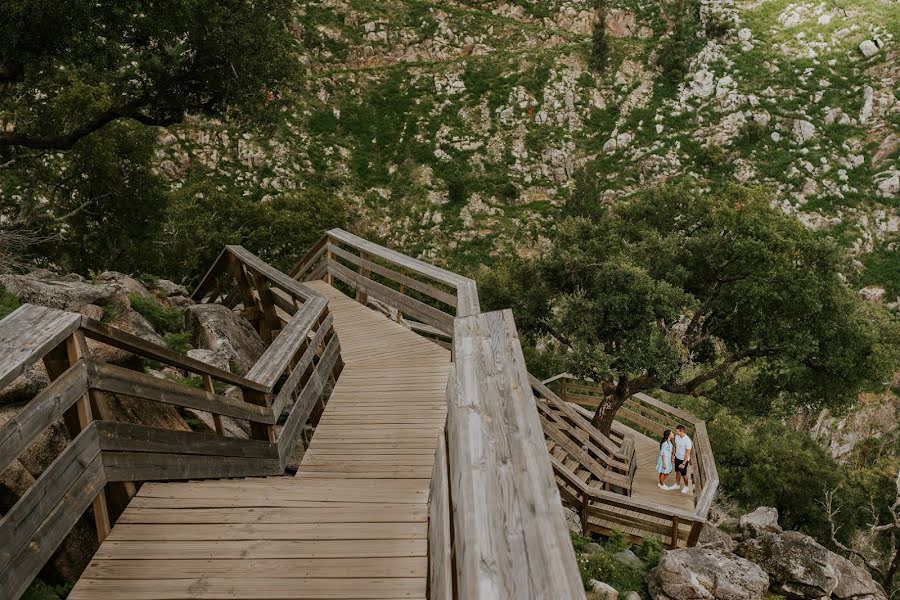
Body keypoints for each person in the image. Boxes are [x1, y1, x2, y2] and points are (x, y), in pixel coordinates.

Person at [673, 424, 693, 494]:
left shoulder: (688, 441)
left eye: (677, 431)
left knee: (684, 474)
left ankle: (686, 487)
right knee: (677, 471)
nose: (676, 432)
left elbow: (687, 453)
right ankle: (677, 484)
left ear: (681, 431)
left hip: (683, 459)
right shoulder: (677, 437)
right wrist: (673, 455)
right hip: (677, 457)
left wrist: (683, 463)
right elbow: (675, 446)